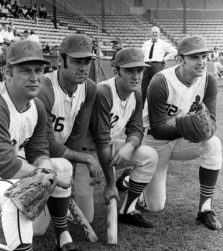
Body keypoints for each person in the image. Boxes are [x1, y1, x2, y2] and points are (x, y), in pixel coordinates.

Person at [0, 40, 77, 251]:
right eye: (25, 70)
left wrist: (47, 171)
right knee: (17, 194)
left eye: (38, 71)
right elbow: (5, 164)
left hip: (9, 169)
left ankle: (61, 236)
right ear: (7, 73)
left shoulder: (37, 107)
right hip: (4, 170)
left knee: (59, 169)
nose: (34, 78)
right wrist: (44, 174)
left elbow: (39, 150)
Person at [141, 35, 222, 230]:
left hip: (182, 140)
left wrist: (203, 128)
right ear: (180, 59)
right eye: (194, 57)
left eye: (204, 56)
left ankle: (205, 209)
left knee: (213, 144)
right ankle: (130, 179)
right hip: (154, 142)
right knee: (155, 206)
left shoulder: (208, 80)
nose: (201, 62)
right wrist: (190, 126)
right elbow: (159, 129)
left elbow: (211, 123)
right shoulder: (160, 81)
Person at [37, 34, 102, 224]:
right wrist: (86, 158)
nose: (83, 67)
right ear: (60, 60)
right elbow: (45, 143)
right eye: (76, 61)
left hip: (61, 155)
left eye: (87, 61)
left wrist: (69, 176)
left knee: (86, 217)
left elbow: (77, 136)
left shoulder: (89, 88)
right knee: (37, 230)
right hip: (32, 154)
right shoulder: (45, 88)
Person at [91, 47, 158, 228]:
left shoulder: (136, 93)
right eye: (129, 70)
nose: (136, 76)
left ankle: (128, 209)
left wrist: (129, 146)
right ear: (116, 71)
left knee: (149, 155)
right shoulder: (103, 92)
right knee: (86, 216)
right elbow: (100, 140)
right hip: (87, 152)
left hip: (108, 146)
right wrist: (110, 184)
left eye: (139, 70)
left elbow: (136, 129)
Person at [141, 26, 177, 104]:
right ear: (150, 33)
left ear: (159, 34)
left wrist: (164, 59)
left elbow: (174, 51)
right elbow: (142, 54)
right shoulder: (146, 43)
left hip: (157, 65)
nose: (154, 34)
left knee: (157, 85)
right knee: (144, 86)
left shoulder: (163, 43)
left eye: (156, 32)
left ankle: (157, 103)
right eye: (153, 32)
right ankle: (143, 105)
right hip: (146, 65)